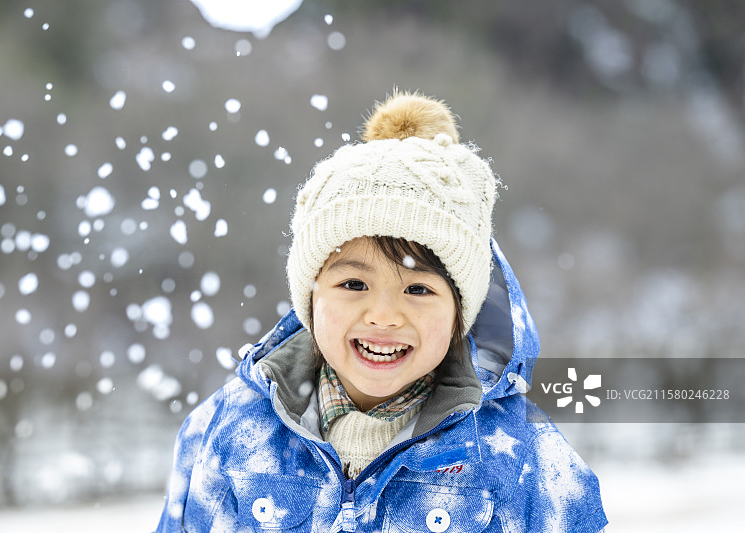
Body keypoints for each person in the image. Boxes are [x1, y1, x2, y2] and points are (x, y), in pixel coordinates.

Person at [155, 92, 608, 532]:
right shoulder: (231, 430)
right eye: (354, 284)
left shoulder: (519, 457)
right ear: (310, 298)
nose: (384, 316)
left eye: (418, 289)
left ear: (459, 316)